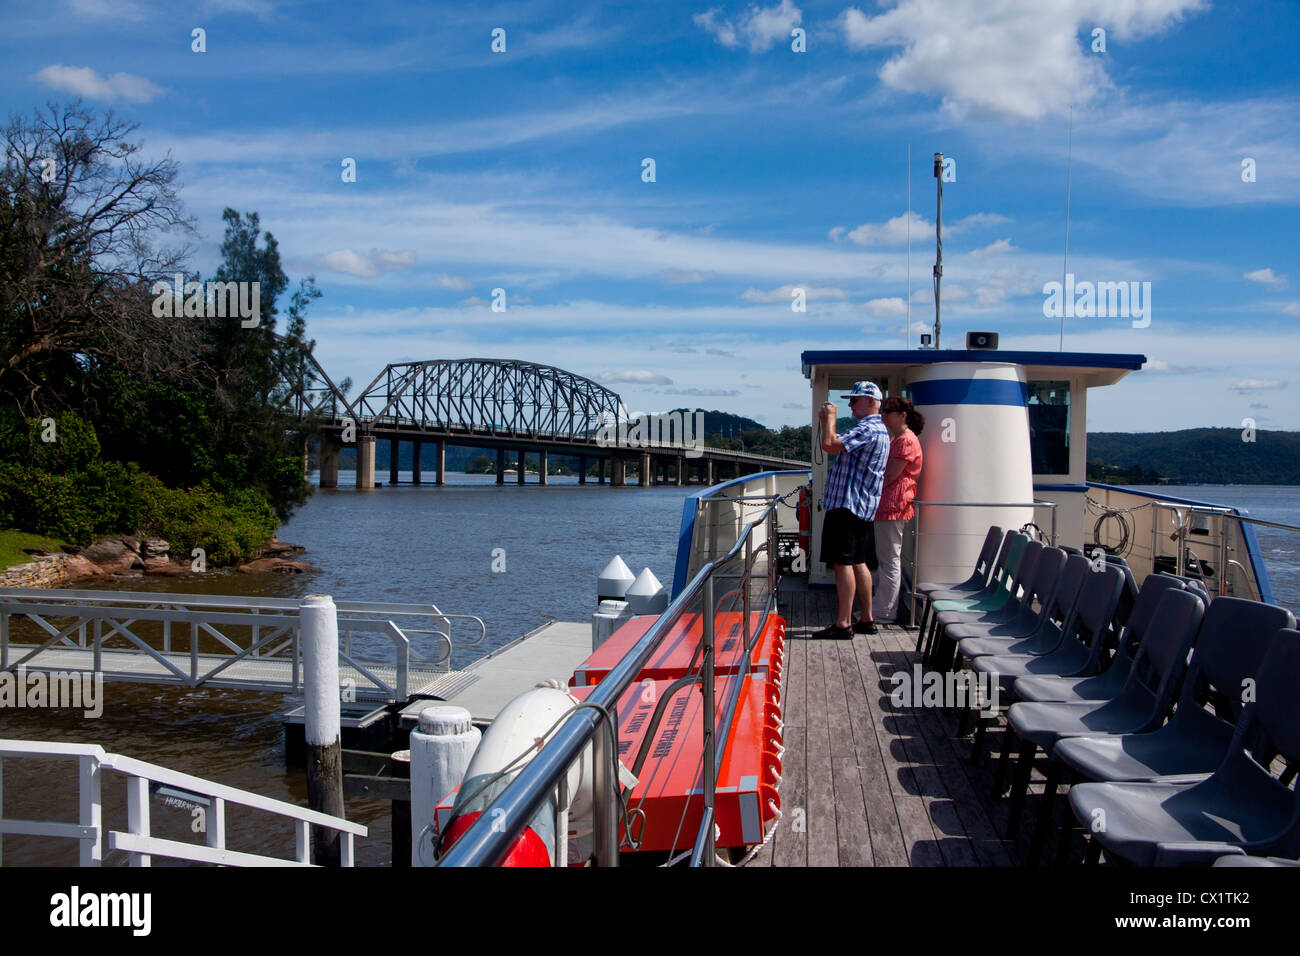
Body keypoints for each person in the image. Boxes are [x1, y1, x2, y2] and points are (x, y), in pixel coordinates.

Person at [813, 381, 890, 639]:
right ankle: (866, 619)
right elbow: (834, 443)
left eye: (855, 399)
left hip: (847, 505)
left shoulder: (868, 429)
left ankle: (843, 623)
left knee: (842, 563)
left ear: (870, 402)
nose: (850, 404)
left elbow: (830, 445)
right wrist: (828, 423)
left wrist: (830, 419)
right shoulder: (880, 431)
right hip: (863, 507)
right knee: (859, 561)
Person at [873, 396, 925, 624]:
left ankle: (884, 612)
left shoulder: (905, 441)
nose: (884, 415)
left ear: (902, 415)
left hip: (893, 505)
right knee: (887, 558)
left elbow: (891, 474)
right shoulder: (899, 439)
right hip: (890, 505)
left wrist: (868, 482)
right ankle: (880, 607)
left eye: (888, 411)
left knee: (889, 560)